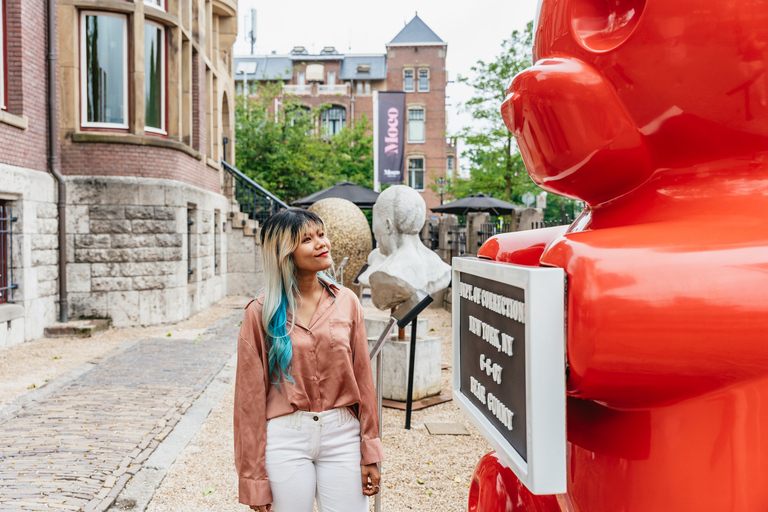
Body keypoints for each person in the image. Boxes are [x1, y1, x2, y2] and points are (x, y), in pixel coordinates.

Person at [234, 208, 385, 512]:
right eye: (307, 239)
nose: (321, 243)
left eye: (321, 234)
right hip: (286, 439)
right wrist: (253, 480)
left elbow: (364, 381)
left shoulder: (347, 302)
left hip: (343, 434)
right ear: (285, 253)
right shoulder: (259, 312)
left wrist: (370, 451)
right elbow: (248, 400)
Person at [358, 185, 451, 310]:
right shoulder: (440, 268)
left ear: (388, 225)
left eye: (376, 223)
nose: (375, 232)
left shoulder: (388, 272)